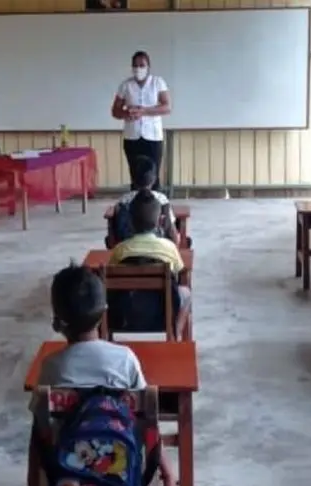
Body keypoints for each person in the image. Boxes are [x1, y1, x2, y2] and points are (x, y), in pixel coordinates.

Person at [27, 264, 177, 486]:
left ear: (57, 323)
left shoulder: (52, 366)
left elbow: (40, 429)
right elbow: (148, 421)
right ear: (104, 312)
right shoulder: (125, 359)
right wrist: (168, 472)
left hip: (67, 481)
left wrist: (35, 482)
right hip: (124, 476)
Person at [110, 190, 191, 319]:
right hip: (162, 314)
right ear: (161, 221)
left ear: (129, 221)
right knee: (186, 293)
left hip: (127, 315)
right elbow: (181, 272)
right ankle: (176, 333)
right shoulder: (169, 248)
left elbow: (112, 274)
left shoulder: (120, 249)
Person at [111, 50, 171, 191]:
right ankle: (136, 210)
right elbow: (115, 110)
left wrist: (144, 111)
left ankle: (156, 209)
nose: (138, 69)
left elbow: (167, 107)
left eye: (142, 65)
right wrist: (127, 113)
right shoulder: (126, 85)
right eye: (135, 65)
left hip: (153, 137)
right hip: (132, 136)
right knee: (135, 176)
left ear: (148, 66)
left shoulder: (158, 82)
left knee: (153, 176)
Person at [113, 155, 180, 246]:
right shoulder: (162, 200)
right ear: (154, 179)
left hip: (128, 249)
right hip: (159, 248)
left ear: (132, 179)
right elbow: (172, 234)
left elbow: (116, 232)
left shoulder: (123, 201)